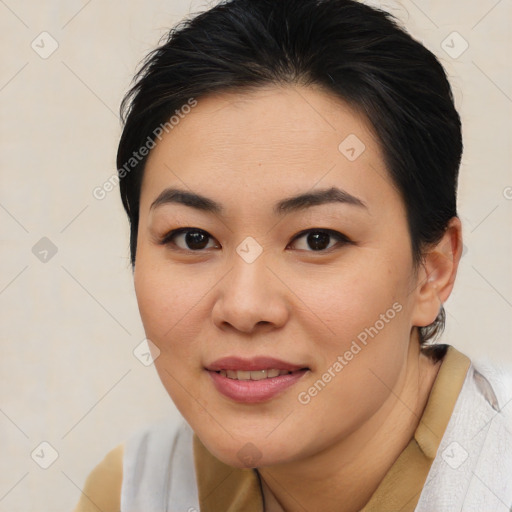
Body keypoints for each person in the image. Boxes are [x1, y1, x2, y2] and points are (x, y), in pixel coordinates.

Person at [73, 0, 512, 510]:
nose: (243, 307)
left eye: (317, 239)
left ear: (432, 272)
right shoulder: (131, 493)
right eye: (193, 238)